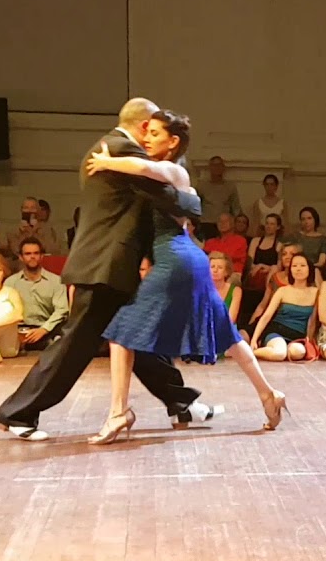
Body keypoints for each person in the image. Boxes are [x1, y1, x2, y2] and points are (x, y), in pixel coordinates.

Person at [0, 99, 215, 442]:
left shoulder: (105, 148)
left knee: (135, 337)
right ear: (143, 127)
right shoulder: (122, 152)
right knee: (76, 344)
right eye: (152, 129)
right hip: (105, 264)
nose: (153, 136)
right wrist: (196, 201)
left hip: (107, 262)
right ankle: (17, 412)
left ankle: (180, 401)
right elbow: (170, 196)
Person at [83, 109, 288, 443]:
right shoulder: (168, 177)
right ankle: (269, 395)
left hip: (176, 260)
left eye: (155, 133)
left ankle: (119, 412)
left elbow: (144, 166)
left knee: (121, 332)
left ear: (173, 141)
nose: (146, 138)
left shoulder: (174, 170)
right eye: (145, 133)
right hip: (187, 259)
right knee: (229, 336)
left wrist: (107, 162)